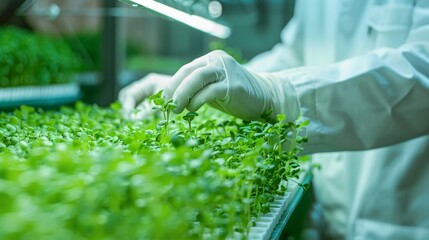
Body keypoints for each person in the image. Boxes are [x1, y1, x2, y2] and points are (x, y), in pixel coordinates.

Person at [119, 0, 429, 239]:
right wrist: (209, 84)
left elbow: (422, 70)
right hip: (330, 214)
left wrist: (274, 92)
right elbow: (295, 54)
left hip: (404, 219)